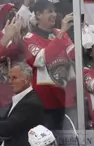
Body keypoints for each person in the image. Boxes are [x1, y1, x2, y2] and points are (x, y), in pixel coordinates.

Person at [23, 0, 76, 131]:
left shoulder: (60, 33)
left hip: (66, 99)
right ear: (38, 14)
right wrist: (62, 32)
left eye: (54, 11)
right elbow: (43, 58)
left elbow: (74, 56)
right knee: (47, 143)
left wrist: (82, 34)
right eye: (49, 11)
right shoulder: (29, 38)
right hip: (45, 104)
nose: (54, 15)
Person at [0, 62, 45, 146]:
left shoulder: (30, 103)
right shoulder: (19, 100)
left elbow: (5, 128)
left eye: (14, 78)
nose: (10, 82)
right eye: (9, 78)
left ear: (26, 79)